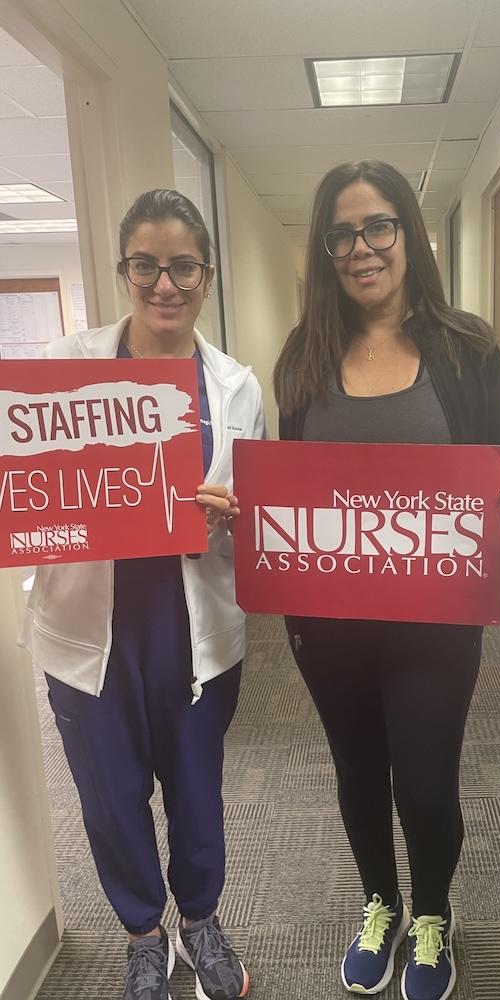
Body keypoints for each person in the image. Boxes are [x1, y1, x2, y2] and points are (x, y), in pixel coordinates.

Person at [273, 160, 500, 1000]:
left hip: (434, 618)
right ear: (325, 248)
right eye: (341, 233)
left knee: (424, 775)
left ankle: (432, 914)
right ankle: (379, 901)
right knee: (356, 767)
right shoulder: (303, 355)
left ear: (409, 235)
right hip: (327, 619)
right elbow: (290, 485)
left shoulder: (466, 345)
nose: (361, 248)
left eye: (379, 226)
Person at [22, 190, 265, 1000]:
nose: (165, 284)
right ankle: (142, 934)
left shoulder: (236, 387)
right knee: (109, 797)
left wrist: (237, 515)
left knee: (196, 790)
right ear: (124, 270)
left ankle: (200, 919)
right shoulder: (63, 370)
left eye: (183, 266)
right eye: (145, 266)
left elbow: (252, 515)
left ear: (207, 273)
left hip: (194, 625)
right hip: (89, 629)